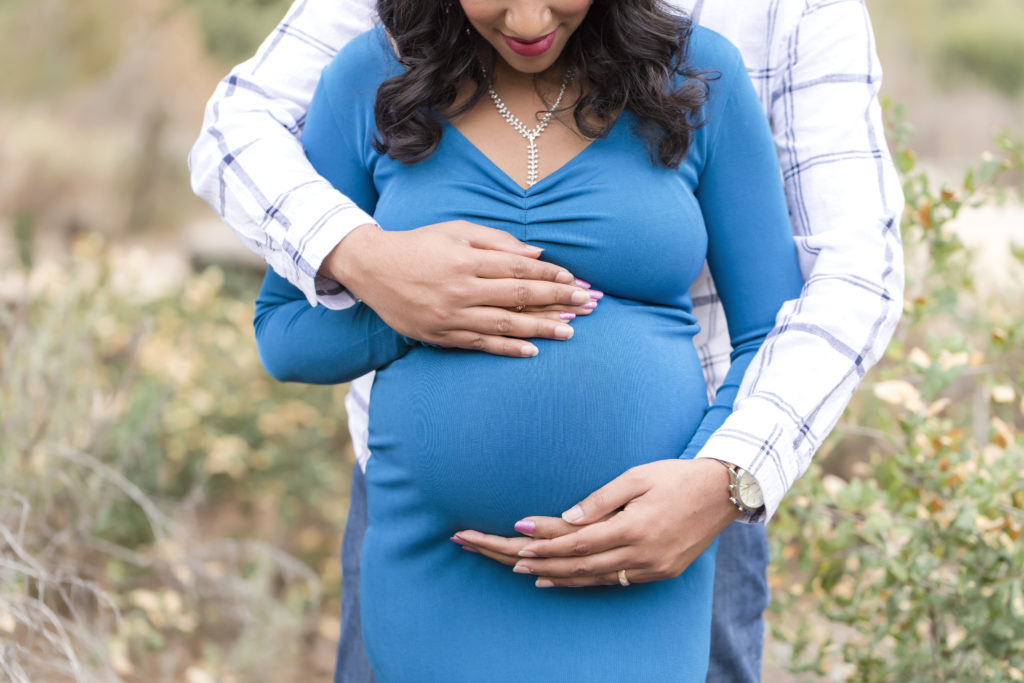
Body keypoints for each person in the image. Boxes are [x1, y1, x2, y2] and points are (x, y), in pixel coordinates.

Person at [188, 0, 905, 680]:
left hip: (676, 529)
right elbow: (282, 321)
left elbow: (826, 295)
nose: (529, 21)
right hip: (433, 561)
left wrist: (722, 479)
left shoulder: (707, 71)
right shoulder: (372, 72)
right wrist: (393, 292)